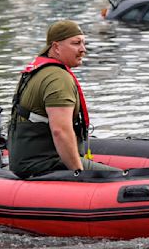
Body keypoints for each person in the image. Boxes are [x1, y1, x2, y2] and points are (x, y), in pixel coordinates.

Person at [8, 20, 119, 178]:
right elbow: (60, 131)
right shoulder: (58, 79)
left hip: (25, 161)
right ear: (56, 47)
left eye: (83, 43)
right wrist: (79, 173)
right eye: (76, 43)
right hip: (44, 163)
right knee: (122, 178)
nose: (83, 50)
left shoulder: (37, 71)